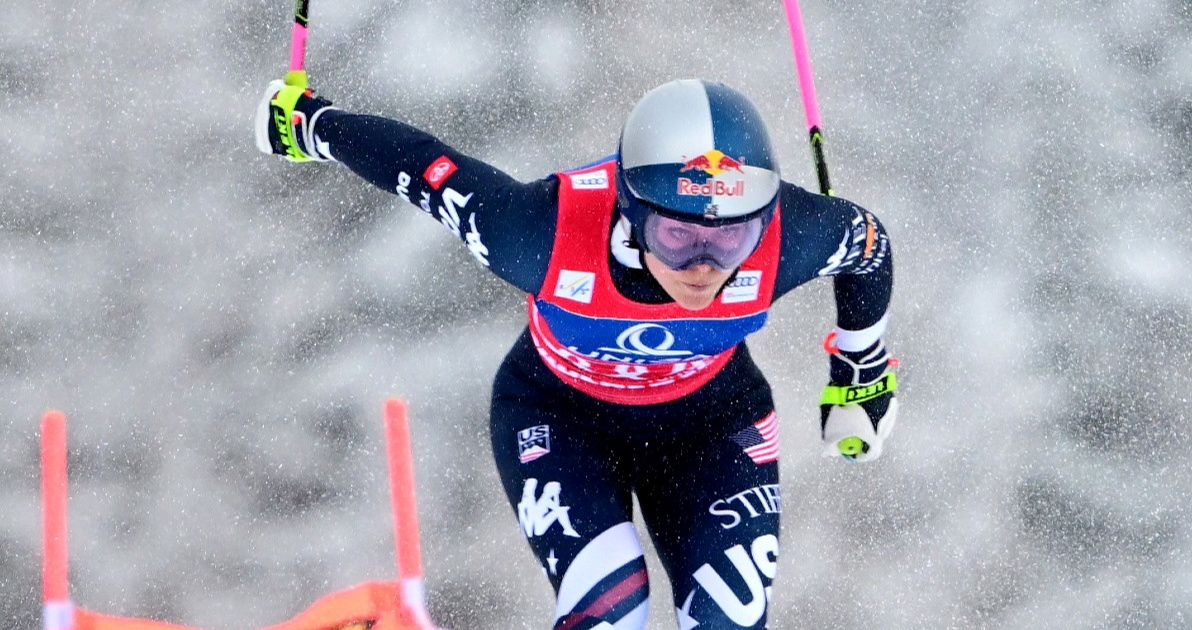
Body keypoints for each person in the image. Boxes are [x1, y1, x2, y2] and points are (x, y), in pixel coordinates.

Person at [255, 76, 897, 630]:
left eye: (730, 239)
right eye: (676, 236)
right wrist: (312, 122)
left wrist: (859, 367)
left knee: (728, 616)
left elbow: (869, 249)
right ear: (630, 209)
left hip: (712, 423)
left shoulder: (793, 235)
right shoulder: (537, 231)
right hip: (561, 418)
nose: (704, 267)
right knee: (612, 611)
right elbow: (421, 166)